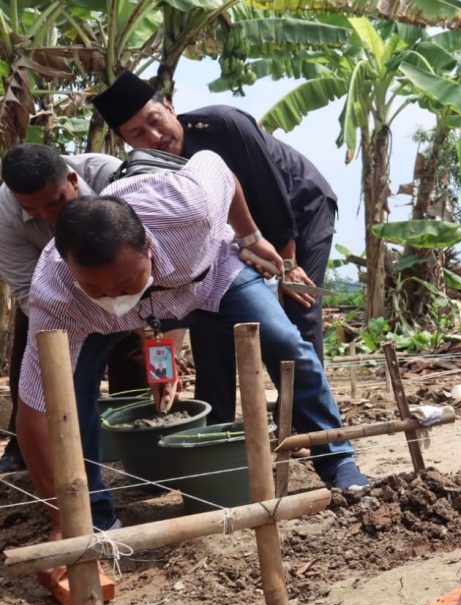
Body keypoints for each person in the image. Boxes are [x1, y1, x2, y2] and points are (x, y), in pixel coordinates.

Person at [16, 150, 368, 542]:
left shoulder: (186, 208)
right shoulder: (56, 293)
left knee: (285, 340)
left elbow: (218, 164)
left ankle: (338, 462)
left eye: (127, 283)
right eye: (97, 289)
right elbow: (34, 412)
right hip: (100, 327)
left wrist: (250, 235)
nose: (115, 295)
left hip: (211, 281)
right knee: (71, 397)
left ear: (148, 246)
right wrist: (60, 517)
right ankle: (93, 516)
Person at [92, 71, 335, 422]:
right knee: (210, 315)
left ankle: (303, 422)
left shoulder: (222, 125)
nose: (155, 137)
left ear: (170, 108)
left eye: (156, 122)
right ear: (125, 141)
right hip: (233, 235)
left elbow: (271, 196)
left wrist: (286, 266)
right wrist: (167, 359)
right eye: (138, 134)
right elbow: (177, 274)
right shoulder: (147, 176)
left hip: (298, 209)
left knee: (297, 310)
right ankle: (217, 422)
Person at [0, 144, 145, 473]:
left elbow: (138, 246)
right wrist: (69, 322)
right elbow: (25, 289)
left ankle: (135, 433)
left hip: (117, 280)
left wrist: (116, 301)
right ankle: (25, 448)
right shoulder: (4, 215)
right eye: (32, 210)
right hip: (49, 293)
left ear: (73, 178)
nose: (49, 217)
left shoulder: (112, 175)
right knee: (31, 364)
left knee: (131, 348)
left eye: (55, 203)